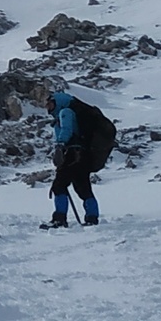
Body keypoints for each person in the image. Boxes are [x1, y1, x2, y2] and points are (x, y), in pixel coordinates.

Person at [46, 81, 108, 228]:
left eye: (50, 104)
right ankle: (92, 218)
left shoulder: (65, 112)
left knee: (59, 185)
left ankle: (59, 219)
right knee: (83, 188)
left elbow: (67, 130)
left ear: (57, 102)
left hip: (72, 154)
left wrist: (60, 145)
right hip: (83, 155)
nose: (48, 108)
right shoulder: (75, 114)